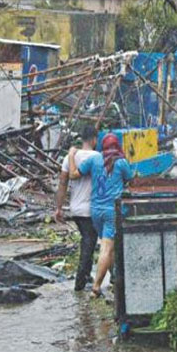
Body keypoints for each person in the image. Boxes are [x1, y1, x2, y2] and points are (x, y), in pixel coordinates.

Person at [67, 132, 134, 297]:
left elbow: (73, 175)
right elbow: (130, 180)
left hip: (95, 210)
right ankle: (96, 286)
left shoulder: (94, 159)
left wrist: (70, 155)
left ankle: (115, 279)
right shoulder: (121, 162)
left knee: (108, 248)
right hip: (112, 211)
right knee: (106, 248)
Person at [55, 126, 101, 291]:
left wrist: (59, 208)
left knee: (88, 241)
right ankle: (80, 283)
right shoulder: (97, 157)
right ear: (94, 139)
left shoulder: (69, 158)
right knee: (89, 243)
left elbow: (62, 183)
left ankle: (87, 276)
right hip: (90, 209)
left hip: (75, 209)